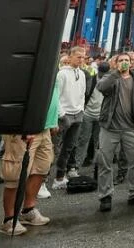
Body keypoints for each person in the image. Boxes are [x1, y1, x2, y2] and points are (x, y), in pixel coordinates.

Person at [0, 78, 60, 235]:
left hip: (44, 127)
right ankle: (9, 220)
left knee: (41, 168)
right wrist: (22, 126)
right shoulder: (26, 63)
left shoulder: (51, 63)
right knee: (16, 174)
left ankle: (28, 210)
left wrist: (53, 120)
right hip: (24, 129)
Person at [96, 53, 134, 212]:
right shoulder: (111, 77)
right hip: (110, 127)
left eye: (127, 60)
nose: (124, 63)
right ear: (116, 63)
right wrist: (115, 73)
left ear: (132, 63)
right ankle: (105, 196)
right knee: (105, 161)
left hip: (130, 127)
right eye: (121, 60)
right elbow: (101, 87)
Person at [52, 46, 87, 190]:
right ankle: (43, 179)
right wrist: (62, 114)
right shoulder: (62, 74)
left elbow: (83, 94)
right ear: (70, 57)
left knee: (68, 148)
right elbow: (56, 96)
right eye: (78, 57)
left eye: (83, 57)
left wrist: (81, 110)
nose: (81, 59)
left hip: (77, 115)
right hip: (64, 116)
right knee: (54, 148)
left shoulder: (82, 74)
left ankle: (60, 176)